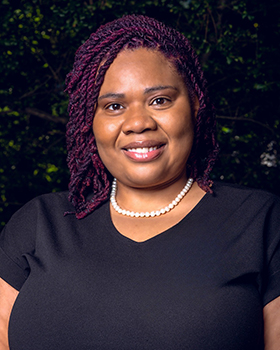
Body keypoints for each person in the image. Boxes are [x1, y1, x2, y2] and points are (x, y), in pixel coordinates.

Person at [0, 14, 280, 350]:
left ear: (195, 105)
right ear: (90, 121)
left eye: (159, 100)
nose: (137, 123)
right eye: (114, 106)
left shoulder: (261, 222)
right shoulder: (39, 224)